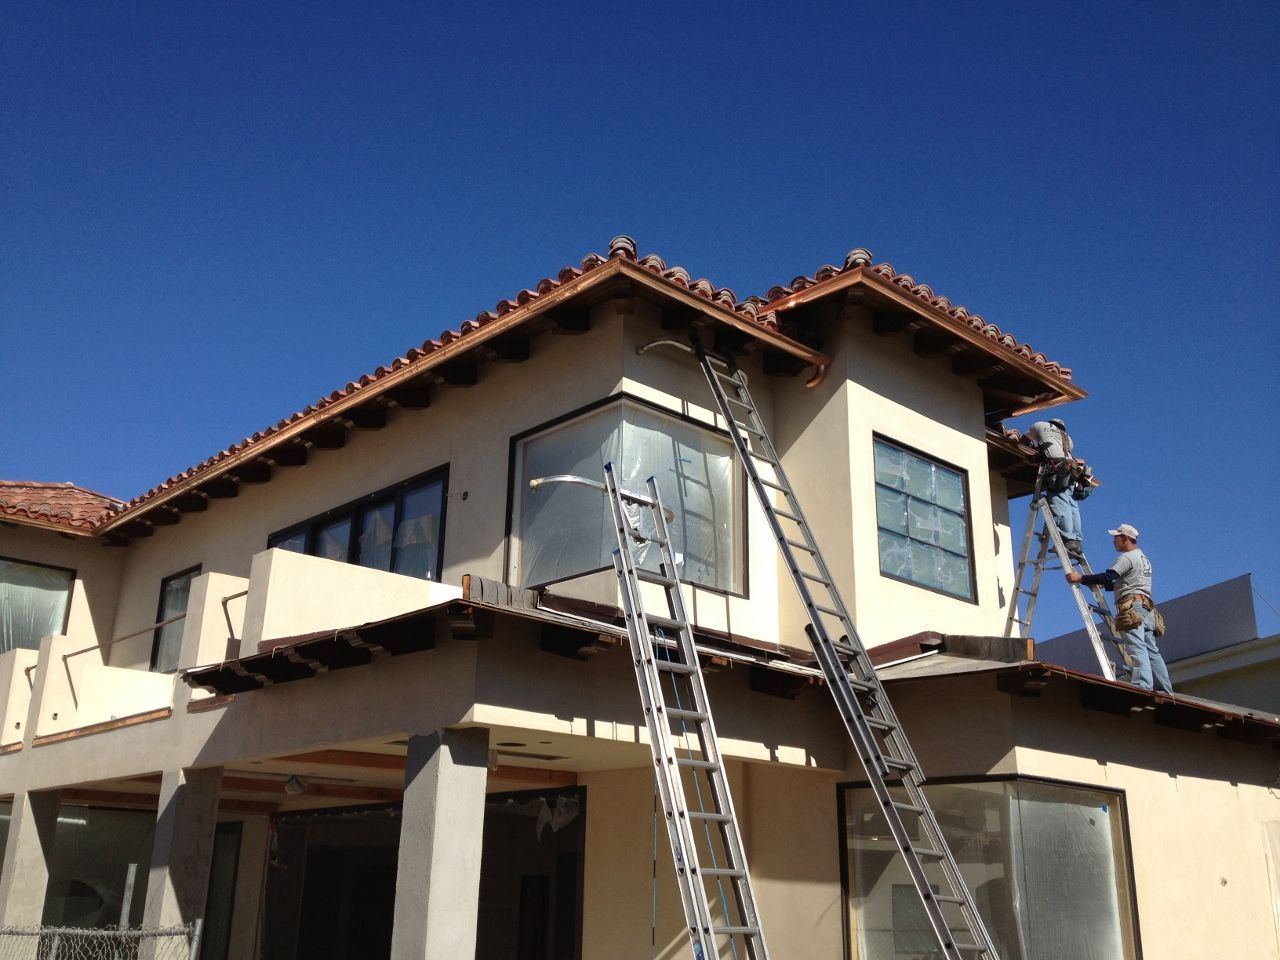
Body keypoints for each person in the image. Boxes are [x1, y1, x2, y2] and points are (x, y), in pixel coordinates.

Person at [1067, 524, 1172, 693]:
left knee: (1137, 648)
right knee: (1152, 650)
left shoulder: (1127, 558)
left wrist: (1080, 578)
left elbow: (1109, 576)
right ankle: (1168, 690)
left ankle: (1143, 686)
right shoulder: (1144, 559)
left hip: (1132, 607)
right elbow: (1126, 582)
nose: (1114, 541)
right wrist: (1107, 585)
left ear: (1125, 539)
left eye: (1116, 538)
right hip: (1147, 608)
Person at [1024, 418, 1095, 559]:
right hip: (1071, 471)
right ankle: (1076, 541)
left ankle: (1068, 541)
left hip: (1058, 470)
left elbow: (1025, 440)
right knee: (1072, 505)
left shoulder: (1039, 425)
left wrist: (1032, 449)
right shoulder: (1067, 438)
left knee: (1060, 503)